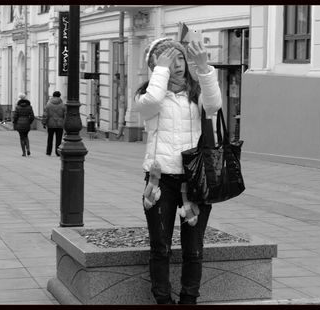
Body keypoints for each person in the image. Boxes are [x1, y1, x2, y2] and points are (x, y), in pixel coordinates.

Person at [133, 37, 222, 304]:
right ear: (157, 67)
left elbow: (214, 106)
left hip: (195, 181)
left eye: (181, 58)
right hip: (160, 184)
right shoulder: (147, 96)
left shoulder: (196, 94)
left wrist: (204, 67)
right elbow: (151, 103)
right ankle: (163, 301)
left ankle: (189, 300)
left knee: (193, 249)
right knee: (160, 248)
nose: (179, 65)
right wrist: (161, 70)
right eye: (171, 60)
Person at [42, 91, 66, 156]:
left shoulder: (48, 104)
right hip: (60, 124)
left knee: (50, 138)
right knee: (59, 139)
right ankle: (58, 152)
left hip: (50, 124)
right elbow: (65, 115)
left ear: (53, 96)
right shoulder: (63, 105)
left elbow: (45, 115)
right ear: (59, 96)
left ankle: (48, 152)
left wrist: (44, 123)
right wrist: (65, 124)